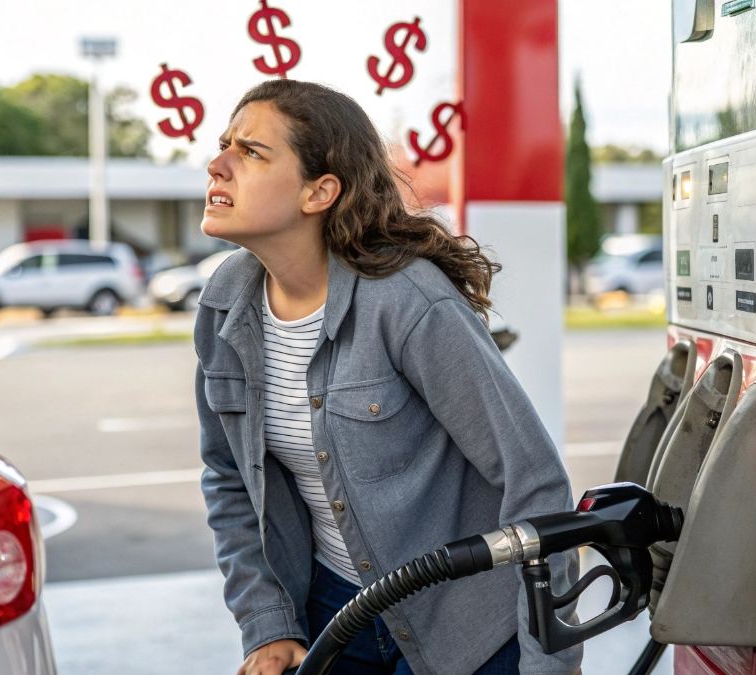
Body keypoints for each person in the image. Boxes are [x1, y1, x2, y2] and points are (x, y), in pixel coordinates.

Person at [194, 79, 581, 675]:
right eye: (225, 146)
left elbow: (534, 483)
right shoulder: (224, 303)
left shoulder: (409, 302)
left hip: (464, 624)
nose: (216, 165)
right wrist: (265, 622)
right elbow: (229, 479)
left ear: (319, 191)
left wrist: (550, 665)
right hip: (332, 614)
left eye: (250, 152)